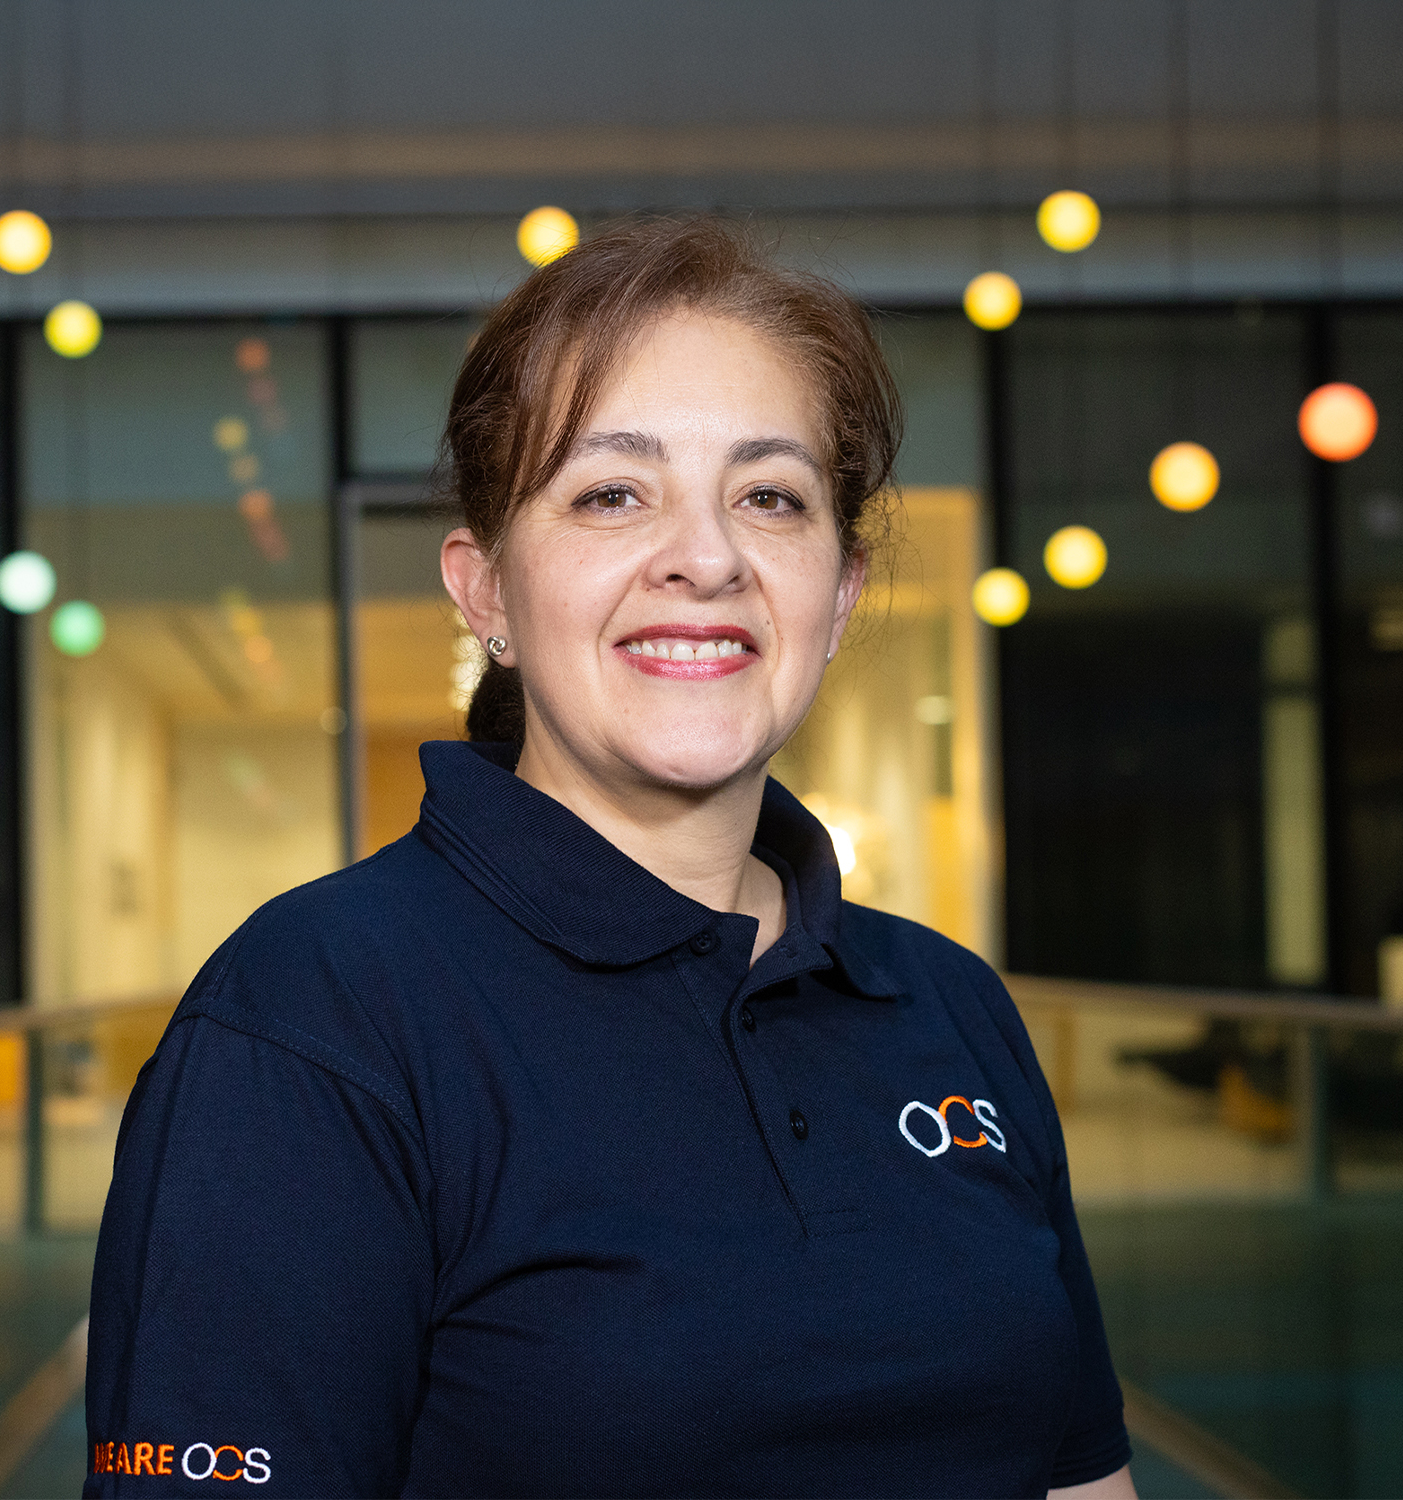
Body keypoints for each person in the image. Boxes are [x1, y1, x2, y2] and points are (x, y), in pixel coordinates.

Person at [84, 218, 1135, 1499]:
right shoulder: (314, 1021)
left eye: (770, 496)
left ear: (842, 591)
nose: (706, 556)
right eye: (611, 492)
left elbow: (1082, 1476)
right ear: (484, 594)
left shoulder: (951, 1006)